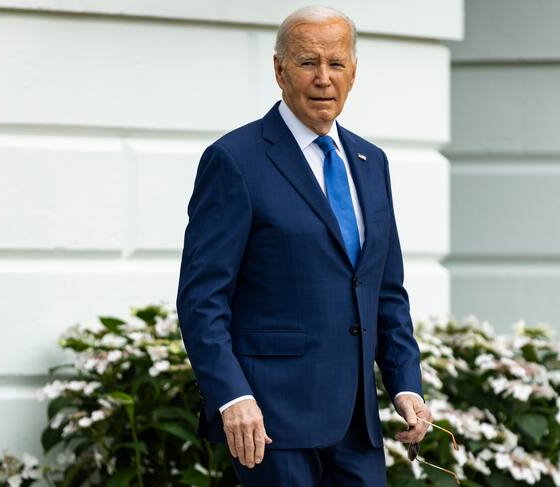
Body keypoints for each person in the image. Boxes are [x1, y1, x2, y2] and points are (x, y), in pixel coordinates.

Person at [176, 6, 432, 486]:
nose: (323, 78)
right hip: (269, 421)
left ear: (353, 73)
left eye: (336, 64)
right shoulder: (234, 160)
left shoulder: (371, 161)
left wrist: (405, 385)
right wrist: (233, 397)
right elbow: (202, 300)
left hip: (357, 423)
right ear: (279, 70)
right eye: (307, 62)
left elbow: (385, 291)